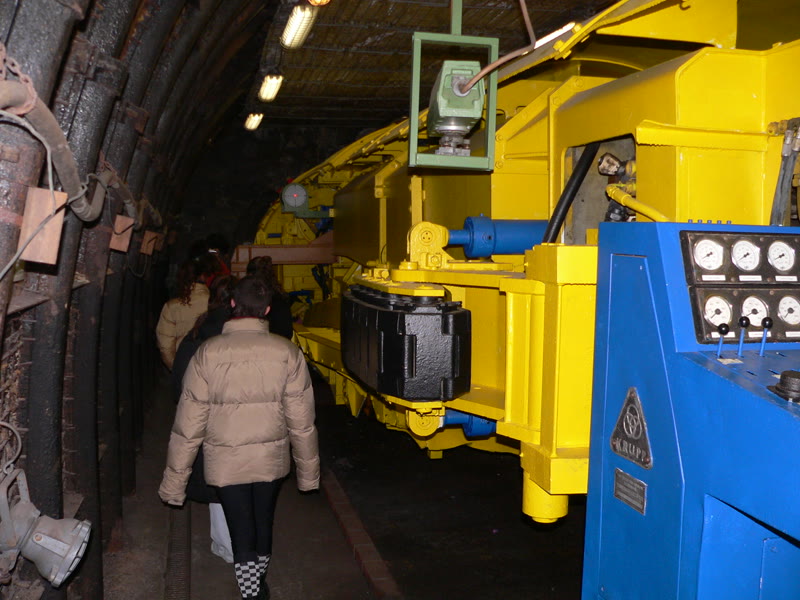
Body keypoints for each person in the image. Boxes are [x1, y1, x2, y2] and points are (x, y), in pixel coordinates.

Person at [158, 276, 319, 600]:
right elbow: (302, 423)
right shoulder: (287, 352)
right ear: (267, 310)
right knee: (263, 522)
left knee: (240, 528)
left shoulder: (207, 353)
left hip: (225, 461)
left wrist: (174, 483)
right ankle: (258, 584)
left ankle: (252, 592)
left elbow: (188, 425)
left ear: (232, 304)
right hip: (270, 459)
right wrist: (308, 474)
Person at [155, 258, 211, 370]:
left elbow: (165, 345)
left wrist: (177, 368)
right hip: (210, 365)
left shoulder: (171, 307)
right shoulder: (213, 303)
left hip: (183, 364)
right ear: (203, 276)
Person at [246, 256, 294, 340]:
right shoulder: (280, 296)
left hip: (263, 342)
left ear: (251, 276)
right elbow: (287, 332)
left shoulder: (254, 298)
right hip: (281, 343)